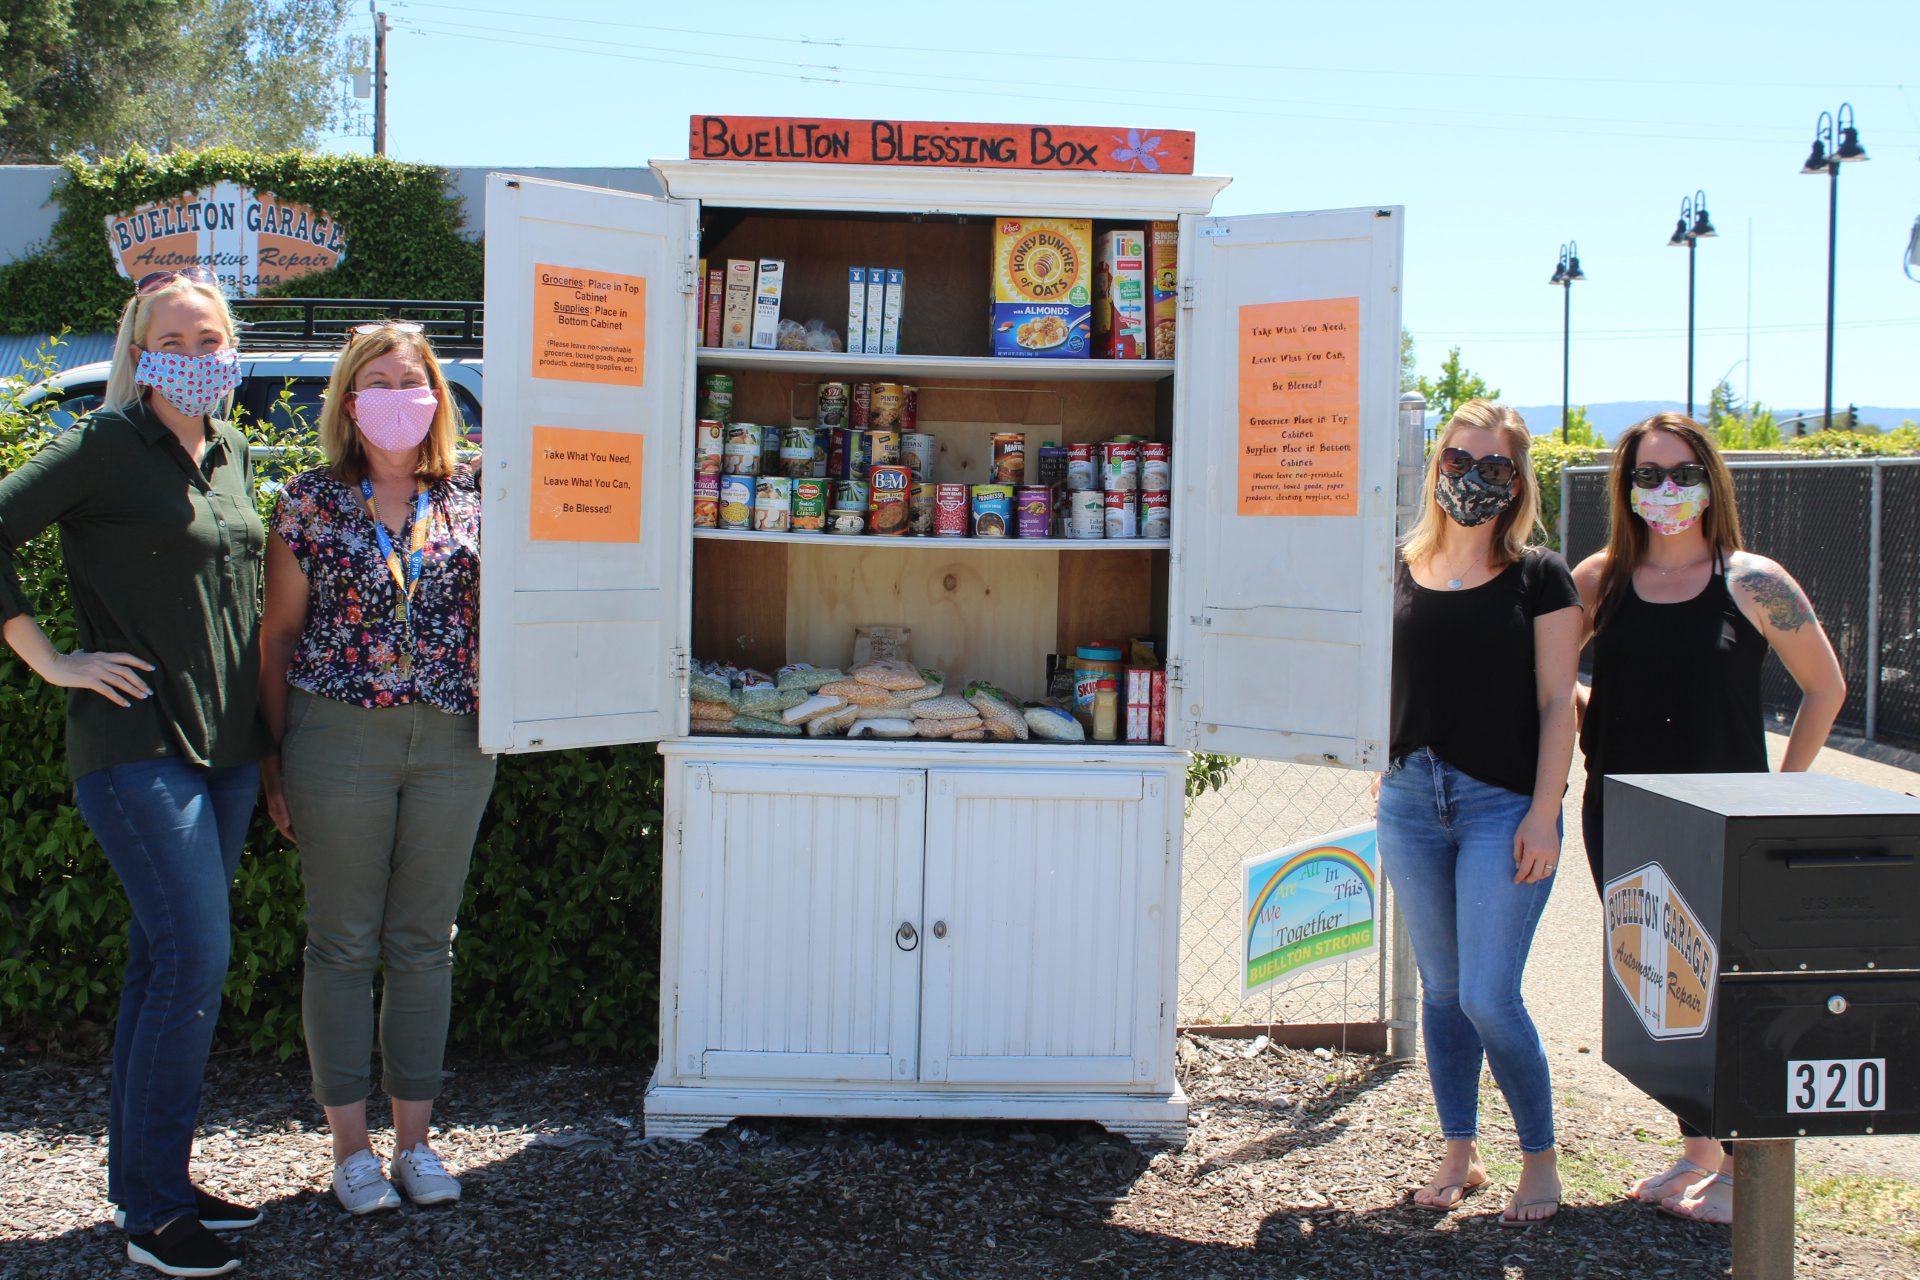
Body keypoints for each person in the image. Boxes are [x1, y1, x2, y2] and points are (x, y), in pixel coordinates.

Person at [0, 267, 266, 1277]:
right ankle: (154, 1211)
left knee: (162, 963)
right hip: (137, 746)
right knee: (195, 958)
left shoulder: (232, 449)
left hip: (229, 750)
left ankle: (150, 1178)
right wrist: (52, 657)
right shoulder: (108, 446)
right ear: (139, 351)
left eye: (213, 339)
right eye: (178, 339)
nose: (199, 357)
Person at [1573, 412, 1844, 1225]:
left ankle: (1739, 1169)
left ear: (1710, 480)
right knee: (1662, 990)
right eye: (1647, 476)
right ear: (1625, 489)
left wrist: (1782, 792)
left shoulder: (1755, 581)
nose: (1666, 490)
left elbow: (1824, 688)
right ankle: (1696, 1150)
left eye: (1682, 472)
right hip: (1619, 813)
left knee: (1725, 993)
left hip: (1724, 823)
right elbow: (1552, 687)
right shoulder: (1600, 581)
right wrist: (1597, 716)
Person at [258, 321, 492, 1216]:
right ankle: (351, 1151)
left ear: (439, 395)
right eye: (378, 379)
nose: (399, 393)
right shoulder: (310, 501)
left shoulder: (476, 493)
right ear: (349, 401)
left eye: (414, 378)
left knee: (425, 943)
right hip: (337, 736)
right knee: (344, 943)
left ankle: (418, 1145)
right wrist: (276, 760)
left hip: (452, 740)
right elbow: (278, 637)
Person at [1375, 399, 1581, 1226]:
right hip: (1411, 800)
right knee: (1443, 989)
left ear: (1519, 481)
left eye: (1495, 467)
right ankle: (1459, 1151)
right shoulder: (1396, 566)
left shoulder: (1541, 576)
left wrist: (1544, 812)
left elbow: (1560, 704)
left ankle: (1541, 1161)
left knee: (1492, 996)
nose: (1472, 479)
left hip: (1503, 807)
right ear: (1436, 467)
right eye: (1458, 461)